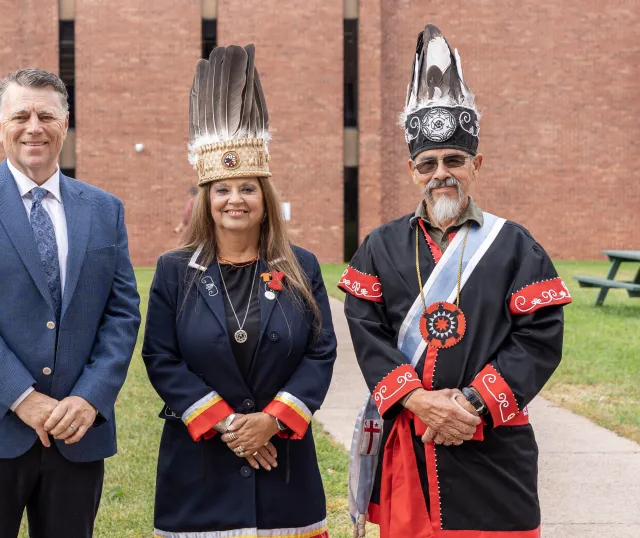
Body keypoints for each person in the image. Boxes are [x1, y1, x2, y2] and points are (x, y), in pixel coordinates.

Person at [340, 25, 571, 538]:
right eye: (428, 163)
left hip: (491, 439)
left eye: (453, 161)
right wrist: (418, 401)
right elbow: (367, 331)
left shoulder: (516, 245)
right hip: (412, 438)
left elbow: (539, 339)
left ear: (476, 164)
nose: (441, 173)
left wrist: (470, 404)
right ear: (412, 170)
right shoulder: (379, 246)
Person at [0, 68, 141, 538]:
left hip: (77, 431)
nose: (34, 127)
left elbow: (122, 312)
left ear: (66, 123)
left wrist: (90, 397)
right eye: (20, 115)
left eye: (46, 115)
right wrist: (22, 398)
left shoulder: (105, 209)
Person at [142, 44, 337, 538]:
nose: (235, 199)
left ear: (264, 198)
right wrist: (229, 425)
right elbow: (161, 357)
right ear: (207, 200)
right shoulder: (174, 271)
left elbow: (321, 352)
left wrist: (273, 420)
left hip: (284, 466)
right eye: (223, 189)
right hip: (200, 467)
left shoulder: (301, 267)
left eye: (247, 188)